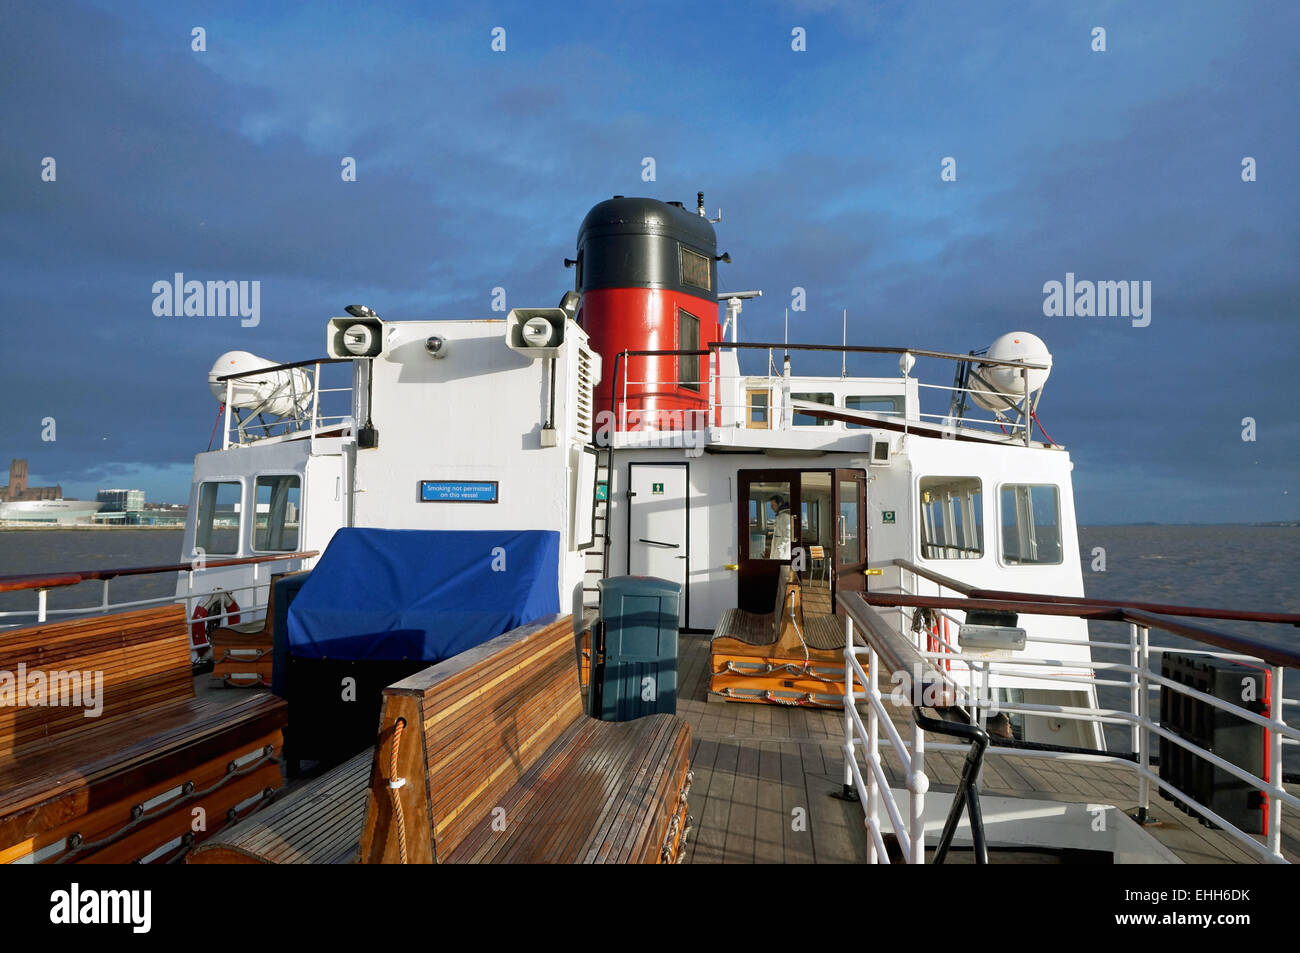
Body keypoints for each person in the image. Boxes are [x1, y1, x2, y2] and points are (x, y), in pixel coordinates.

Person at [768, 494, 792, 560]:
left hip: (781, 551)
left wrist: (780, 547)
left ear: (780, 504)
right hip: (778, 550)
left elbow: (788, 534)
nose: (771, 507)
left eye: (773, 505)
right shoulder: (780, 515)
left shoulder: (784, 516)